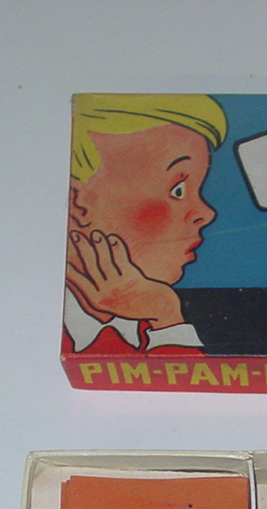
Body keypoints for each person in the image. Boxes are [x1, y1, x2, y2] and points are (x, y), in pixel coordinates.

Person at [64, 94, 226, 354]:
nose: (206, 213)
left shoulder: (149, 315)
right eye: (178, 190)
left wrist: (165, 314)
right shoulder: (44, 315)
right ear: (78, 201)